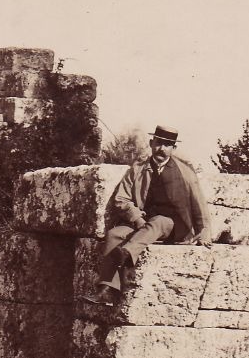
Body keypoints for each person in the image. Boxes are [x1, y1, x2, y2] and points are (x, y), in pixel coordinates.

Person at [79, 125, 211, 307]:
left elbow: (199, 204)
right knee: (114, 234)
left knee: (158, 221)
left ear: (174, 148)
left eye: (167, 145)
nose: (162, 149)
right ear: (151, 143)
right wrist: (137, 218)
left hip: (174, 225)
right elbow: (121, 198)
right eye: (158, 144)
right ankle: (107, 290)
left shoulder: (185, 172)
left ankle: (125, 254)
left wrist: (204, 232)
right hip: (143, 223)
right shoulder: (138, 169)